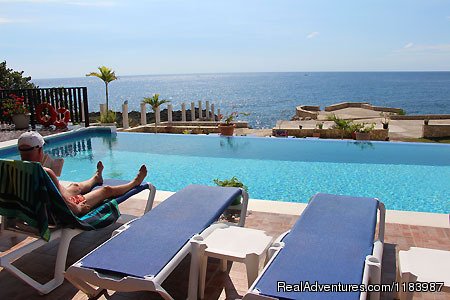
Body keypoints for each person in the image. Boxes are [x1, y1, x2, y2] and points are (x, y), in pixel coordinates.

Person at [17, 131, 147, 216]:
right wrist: (79, 209)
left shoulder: (15, 170)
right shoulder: (45, 172)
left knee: (75, 187)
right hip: (55, 214)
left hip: (36, 212)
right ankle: (134, 183)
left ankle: (96, 178)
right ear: (40, 150)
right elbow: (66, 204)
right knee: (106, 190)